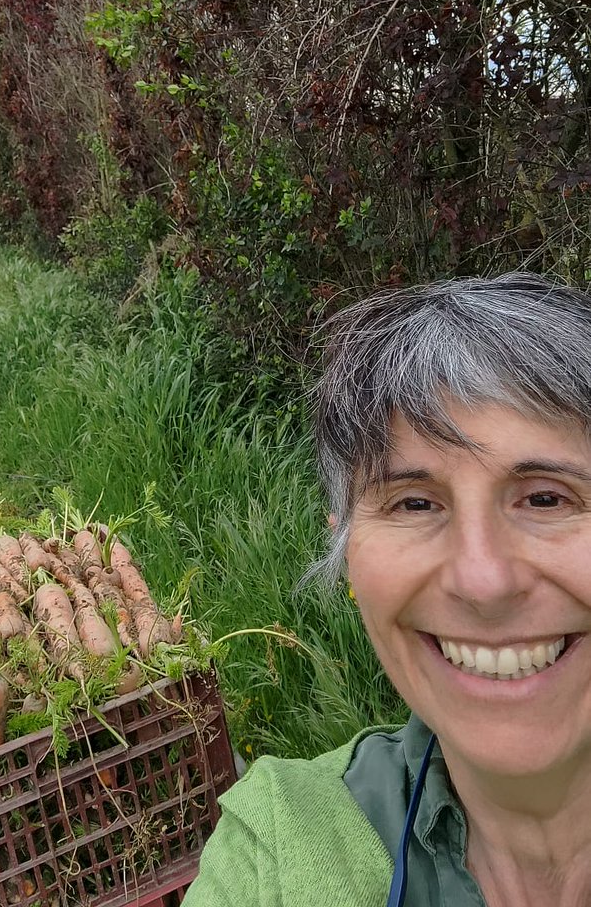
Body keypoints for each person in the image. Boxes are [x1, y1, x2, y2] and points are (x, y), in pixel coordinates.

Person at [185, 273, 591, 907]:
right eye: (415, 504)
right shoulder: (279, 856)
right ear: (346, 551)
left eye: (547, 498)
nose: (483, 581)